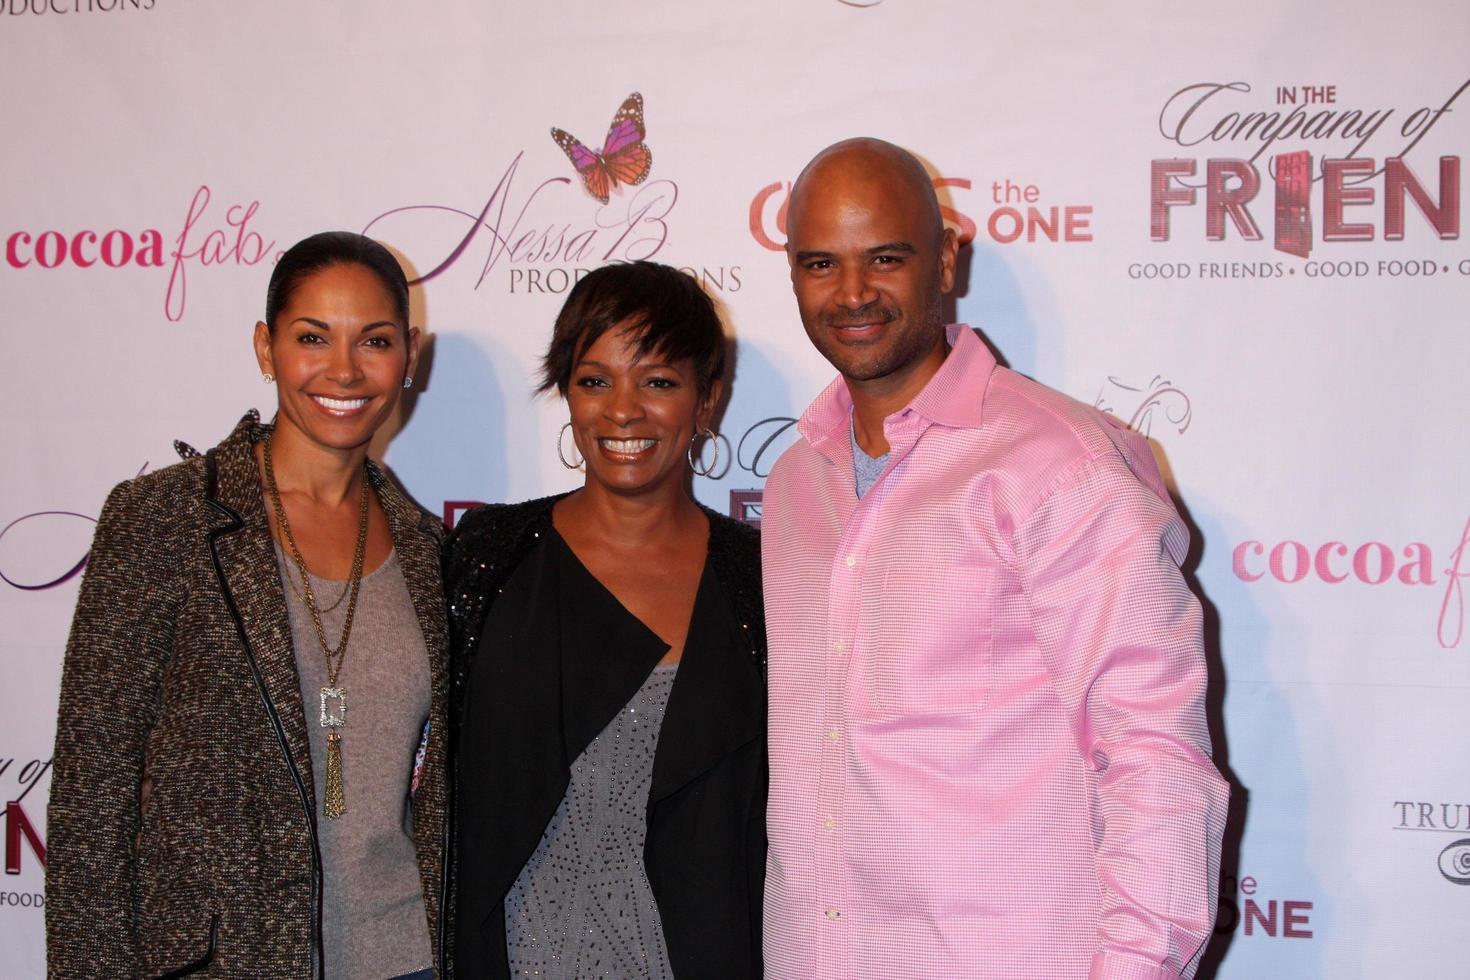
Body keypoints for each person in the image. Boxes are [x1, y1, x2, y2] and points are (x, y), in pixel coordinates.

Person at [760, 138, 1230, 980]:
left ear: (947, 258)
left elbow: (1155, 755)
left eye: (887, 258)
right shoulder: (797, 481)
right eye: (822, 262)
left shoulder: (1062, 465)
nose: (854, 292)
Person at [45, 232, 449, 980]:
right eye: (311, 338)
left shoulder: (430, 552)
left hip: (405, 961)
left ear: (409, 356)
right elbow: (90, 800)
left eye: (375, 341)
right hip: (221, 962)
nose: (344, 370)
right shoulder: (164, 518)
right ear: (266, 349)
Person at [445, 260, 767, 979]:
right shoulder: (485, 559)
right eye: (595, 381)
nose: (623, 410)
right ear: (566, 393)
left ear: (707, 397)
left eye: (658, 381)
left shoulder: (762, 579)